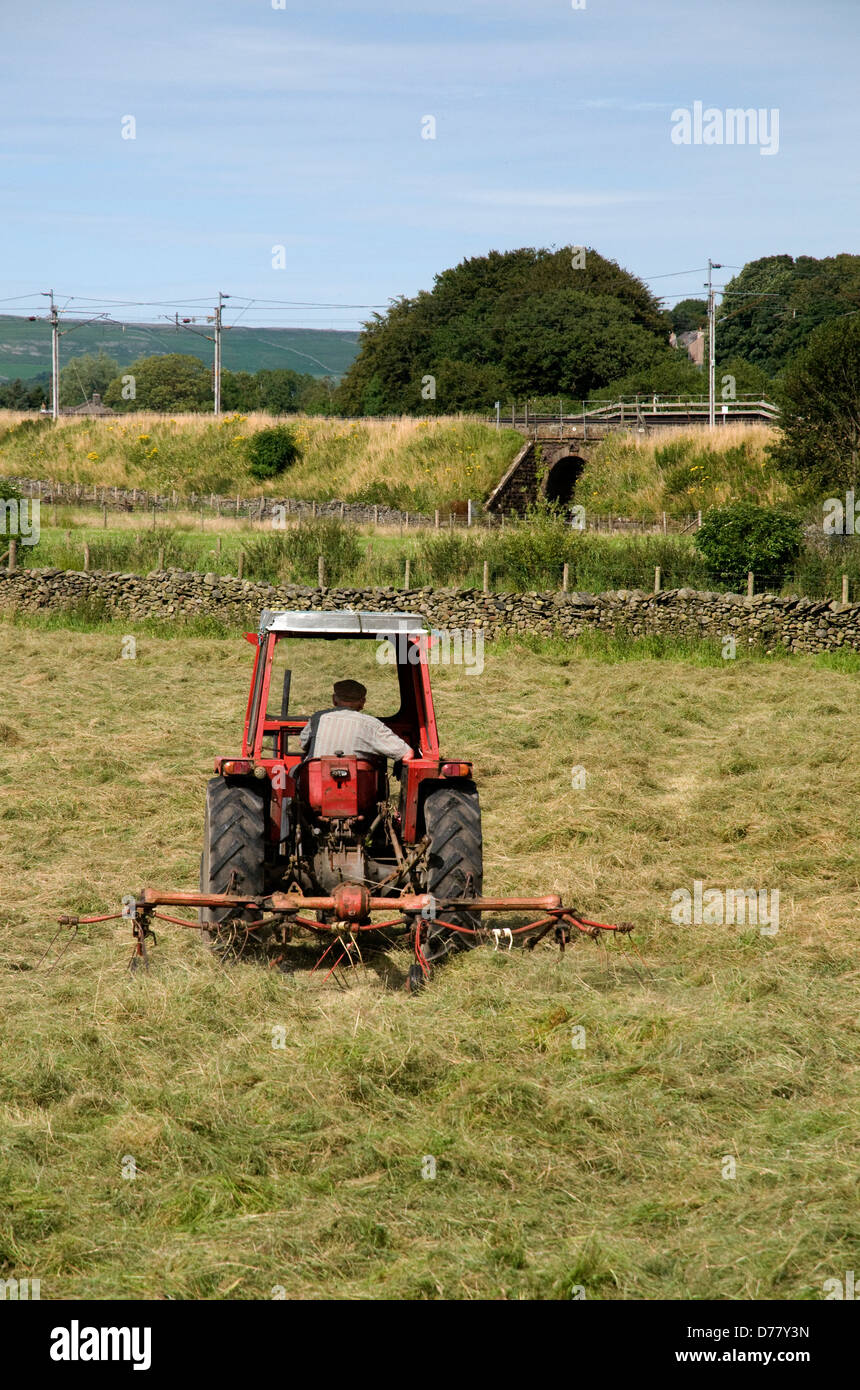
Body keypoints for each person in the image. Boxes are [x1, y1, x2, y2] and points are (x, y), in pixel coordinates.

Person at [298, 679, 414, 763]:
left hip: (314, 786)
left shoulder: (317, 718)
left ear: (334, 699)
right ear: (362, 702)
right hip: (359, 791)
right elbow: (407, 754)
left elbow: (302, 744)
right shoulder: (372, 725)